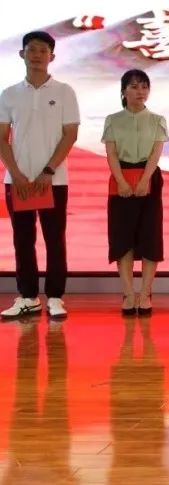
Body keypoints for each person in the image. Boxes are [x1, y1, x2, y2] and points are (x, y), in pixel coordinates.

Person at [0, 31, 79, 321]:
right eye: (31, 50)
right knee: (23, 239)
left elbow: (70, 134)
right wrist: (16, 173)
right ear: (22, 54)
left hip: (53, 180)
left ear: (52, 57)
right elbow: (2, 137)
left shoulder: (64, 92)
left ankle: (55, 297)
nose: (36, 55)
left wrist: (48, 171)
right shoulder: (9, 94)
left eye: (43, 51)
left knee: (54, 238)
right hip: (18, 180)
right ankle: (28, 297)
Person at [102, 69, 168, 316]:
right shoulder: (113, 119)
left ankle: (146, 293)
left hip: (149, 178)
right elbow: (111, 154)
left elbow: (156, 154)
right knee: (122, 236)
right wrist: (121, 181)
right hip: (121, 178)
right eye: (134, 86)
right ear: (123, 91)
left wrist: (144, 180)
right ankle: (129, 293)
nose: (140, 91)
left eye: (144, 86)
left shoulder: (157, 120)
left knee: (150, 235)